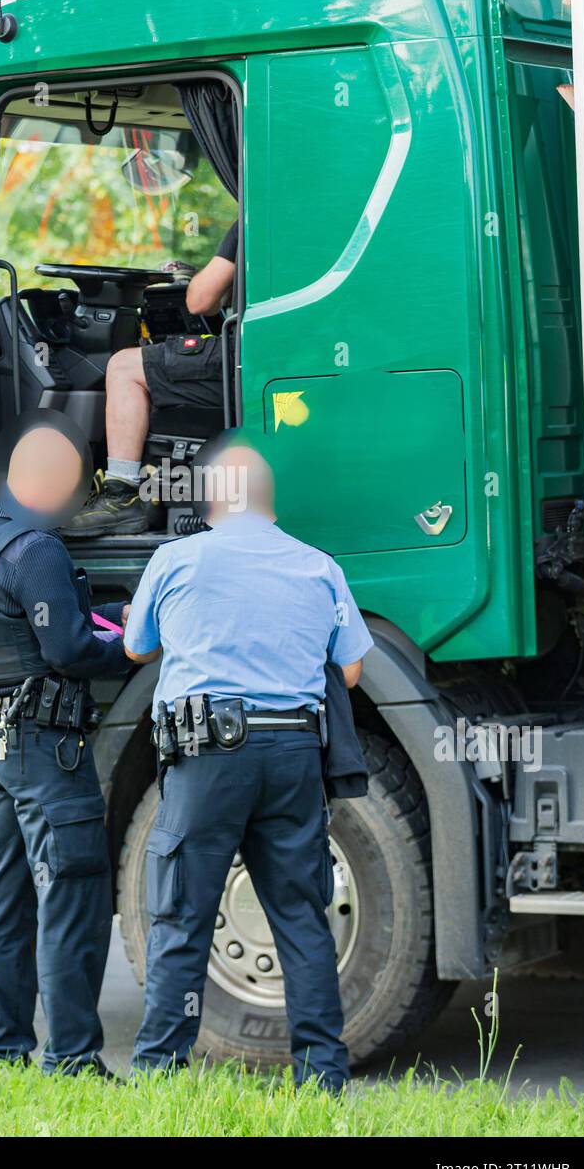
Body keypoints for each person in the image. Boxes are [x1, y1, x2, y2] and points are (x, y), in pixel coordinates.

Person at [122, 443, 374, 1093]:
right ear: (266, 498)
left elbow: (136, 646)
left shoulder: (175, 559)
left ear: (212, 497)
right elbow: (350, 670)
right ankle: (323, 1076)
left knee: (182, 916)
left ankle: (158, 1072)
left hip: (207, 758)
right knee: (299, 914)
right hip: (293, 754)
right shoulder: (319, 567)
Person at [0, 420, 130, 1074]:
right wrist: (130, 647)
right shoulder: (35, 549)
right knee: (73, 888)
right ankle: (74, 1058)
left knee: (2, 894)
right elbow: (68, 650)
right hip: (38, 739)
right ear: (55, 483)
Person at [65, 220, 238, 536]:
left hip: (242, 354)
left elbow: (199, 301)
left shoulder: (252, 217)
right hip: (278, 354)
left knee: (123, 367)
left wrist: (202, 278)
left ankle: (121, 497)